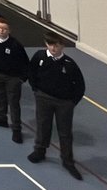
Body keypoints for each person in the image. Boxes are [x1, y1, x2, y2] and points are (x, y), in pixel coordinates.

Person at [27, 33, 85, 180]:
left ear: (62, 46)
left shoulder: (69, 64)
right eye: (50, 44)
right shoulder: (39, 57)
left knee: (65, 132)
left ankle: (67, 160)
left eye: (57, 45)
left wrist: (71, 103)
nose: (53, 47)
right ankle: (40, 151)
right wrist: (37, 90)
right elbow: (31, 72)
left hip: (64, 103)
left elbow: (80, 86)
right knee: (43, 125)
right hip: (43, 98)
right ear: (46, 44)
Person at [0, 17, 29, 143]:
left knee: (13, 103)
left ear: (9, 30)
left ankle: (16, 129)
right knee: (0, 96)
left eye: (5, 28)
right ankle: (1, 117)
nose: (1, 30)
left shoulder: (15, 45)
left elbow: (25, 63)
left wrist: (21, 79)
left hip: (12, 78)